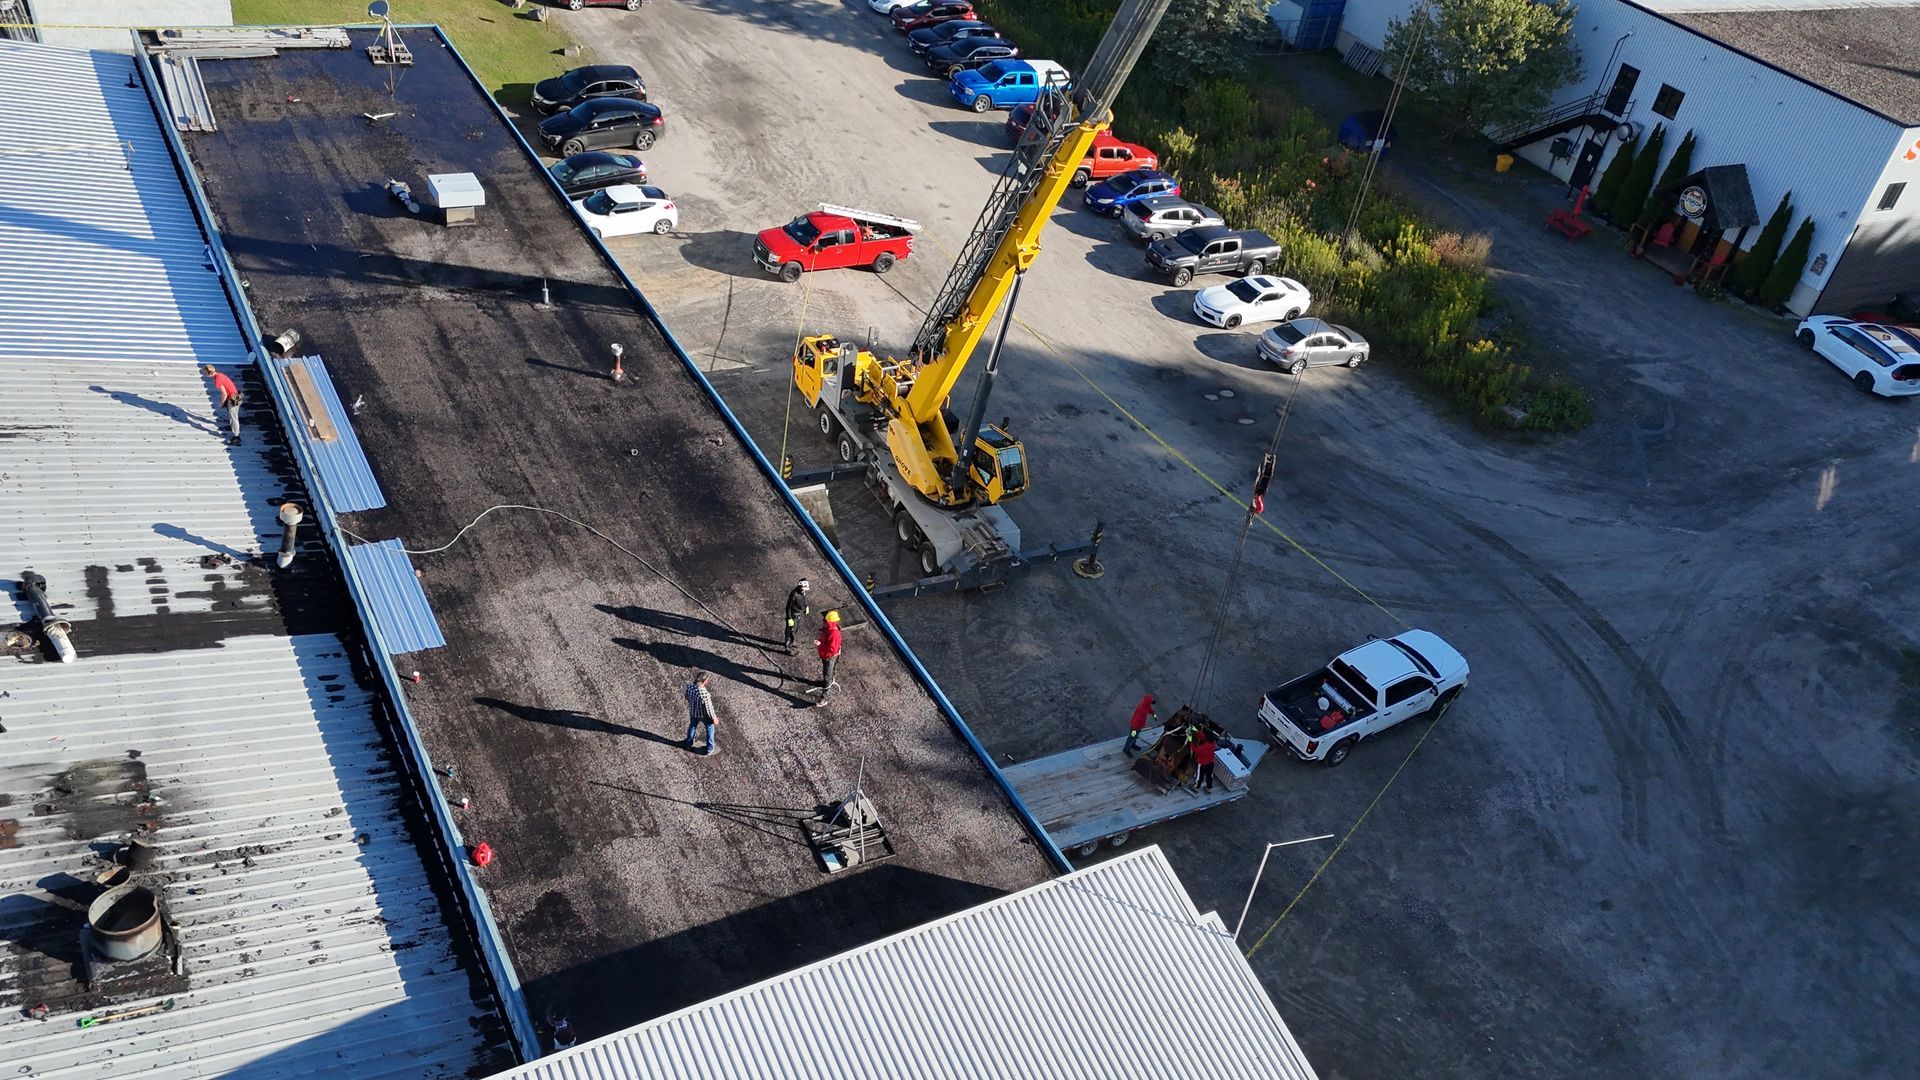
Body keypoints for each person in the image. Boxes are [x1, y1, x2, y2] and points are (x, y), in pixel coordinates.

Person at [203, 364, 243, 445]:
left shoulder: (217, 380)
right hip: (236, 397)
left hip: (233, 399)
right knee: (232, 416)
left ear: (210, 373)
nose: (204, 374)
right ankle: (234, 428)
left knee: (233, 418)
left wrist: (221, 403)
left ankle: (237, 437)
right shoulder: (219, 375)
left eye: (205, 373)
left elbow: (224, 394)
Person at [811, 610, 842, 705]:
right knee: (827, 674)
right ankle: (825, 684)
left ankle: (825, 697)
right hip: (826, 655)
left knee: (827, 676)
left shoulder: (834, 633)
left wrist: (820, 644)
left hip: (829, 657)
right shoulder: (829, 628)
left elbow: (832, 649)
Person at [684, 672, 717, 755]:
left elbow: (686, 697)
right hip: (703, 715)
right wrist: (714, 718)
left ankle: (688, 743)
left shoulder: (689, 687)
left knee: (692, 726)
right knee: (710, 728)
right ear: (704, 681)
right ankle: (710, 748)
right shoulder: (705, 694)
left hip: (693, 712)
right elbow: (709, 709)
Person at [783, 579, 811, 654]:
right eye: (803, 588)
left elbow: (804, 599)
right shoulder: (794, 595)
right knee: (790, 631)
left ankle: (791, 643)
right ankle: (787, 648)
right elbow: (788, 607)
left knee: (795, 630)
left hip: (798, 615)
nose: (804, 590)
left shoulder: (802, 593)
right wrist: (789, 618)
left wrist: (806, 606)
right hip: (793, 615)